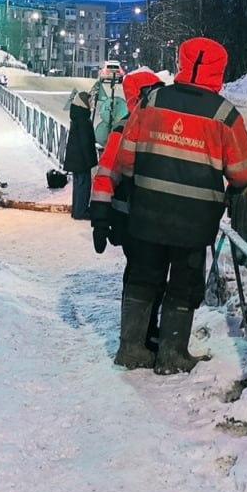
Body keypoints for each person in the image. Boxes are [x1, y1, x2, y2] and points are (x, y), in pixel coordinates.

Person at [113, 38, 247, 374]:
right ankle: (172, 355)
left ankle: (131, 348)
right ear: (220, 70)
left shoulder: (152, 101)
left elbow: (126, 158)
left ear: (182, 61)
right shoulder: (225, 115)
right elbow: (242, 172)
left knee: (143, 277)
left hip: (147, 211)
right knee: (182, 283)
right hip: (195, 221)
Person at [90, 68, 164, 357]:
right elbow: (106, 174)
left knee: (146, 275)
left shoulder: (129, 127)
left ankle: (143, 333)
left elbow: (105, 175)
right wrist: (100, 219)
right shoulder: (127, 129)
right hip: (138, 219)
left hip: (137, 218)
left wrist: (100, 219)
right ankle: (140, 335)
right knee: (143, 277)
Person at [62, 90, 98, 220]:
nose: (91, 103)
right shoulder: (83, 120)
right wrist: (91, 161)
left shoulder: (77, 116)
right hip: (82, 160)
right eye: (89, 101)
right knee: (83, 186)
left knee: (78, 185)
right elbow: (85, 142)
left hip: (75, 158)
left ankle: (77, 210)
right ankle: (80, 211)